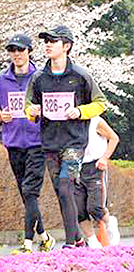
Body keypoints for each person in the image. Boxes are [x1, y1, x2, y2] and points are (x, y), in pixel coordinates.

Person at [25, 25, 108, 248]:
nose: (48, 44)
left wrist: (81, 111)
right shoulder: (39, 77)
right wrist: (31, 113)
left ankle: (70, 242)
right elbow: (29, 106)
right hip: (50, 143)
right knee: (62, 193)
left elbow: (101, 103)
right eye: (46, 41)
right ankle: (78, 239)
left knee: (65, 186)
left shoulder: (81, 76)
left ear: (67, 46)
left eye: (53, 40)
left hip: (74, 143)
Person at [0, 33, 55, 254]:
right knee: (25, 193)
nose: (16, 54)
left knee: (30, 191)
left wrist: (40, 110)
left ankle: (27, 243)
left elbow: (54, 105)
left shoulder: (41, 77)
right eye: (13, 50)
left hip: (38, 142)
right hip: (13, 141)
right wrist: (0, 115)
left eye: (21, 50)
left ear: (29, 52)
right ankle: (45, 237)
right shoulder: (0, 80)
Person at [75, 116, 120, 248]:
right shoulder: (67, 122)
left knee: (95, 207)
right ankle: (92, 241)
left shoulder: (95, 120)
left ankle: (110, 222)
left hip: (95, 167)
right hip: (75, 168)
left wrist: (104, 158)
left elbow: (114, 138)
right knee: (79, 210)